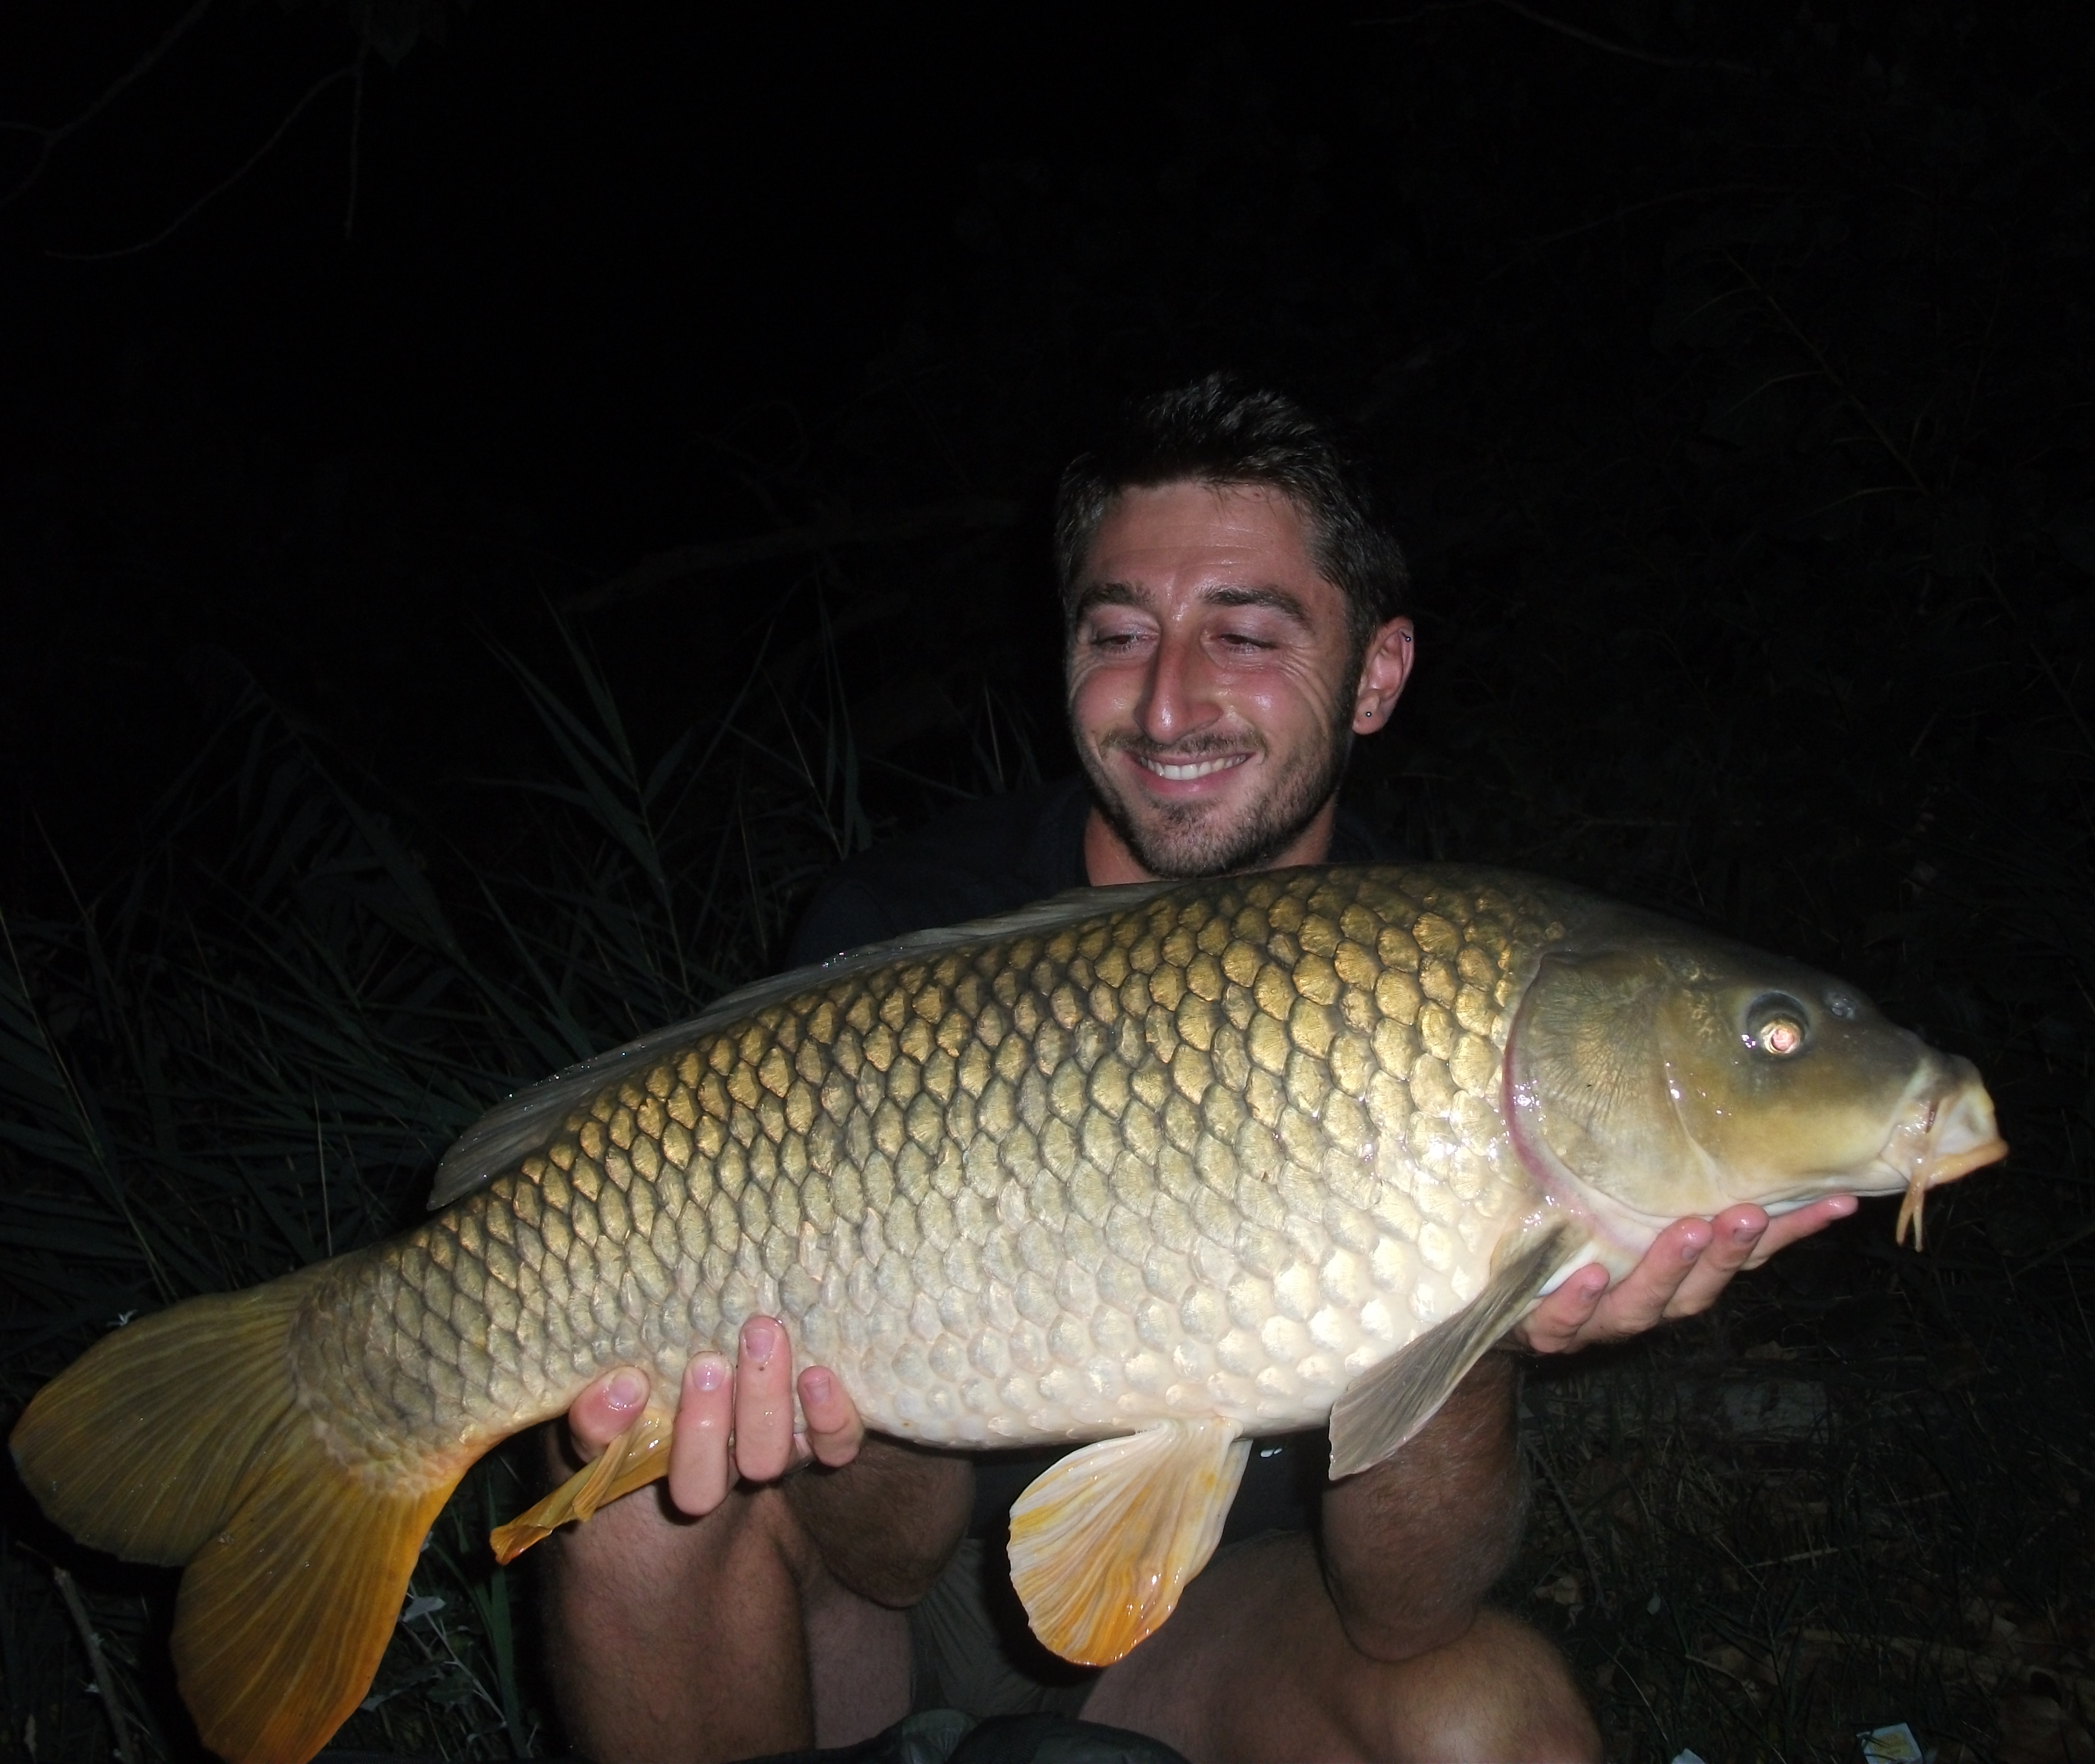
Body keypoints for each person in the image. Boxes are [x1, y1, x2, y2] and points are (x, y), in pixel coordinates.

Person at [538, 377, 1855, 1763]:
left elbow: (1405, 1611)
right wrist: (841, 1369)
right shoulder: (902, 934)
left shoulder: (1442, 988)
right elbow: (885, 1559)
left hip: (1216, 1628)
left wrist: (1481, 1326)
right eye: (1117, 633)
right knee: (631, 1508)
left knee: (1492, 1722)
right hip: (883, 1607)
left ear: (1377, 674)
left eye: (1243, 633)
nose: (1167, 704)